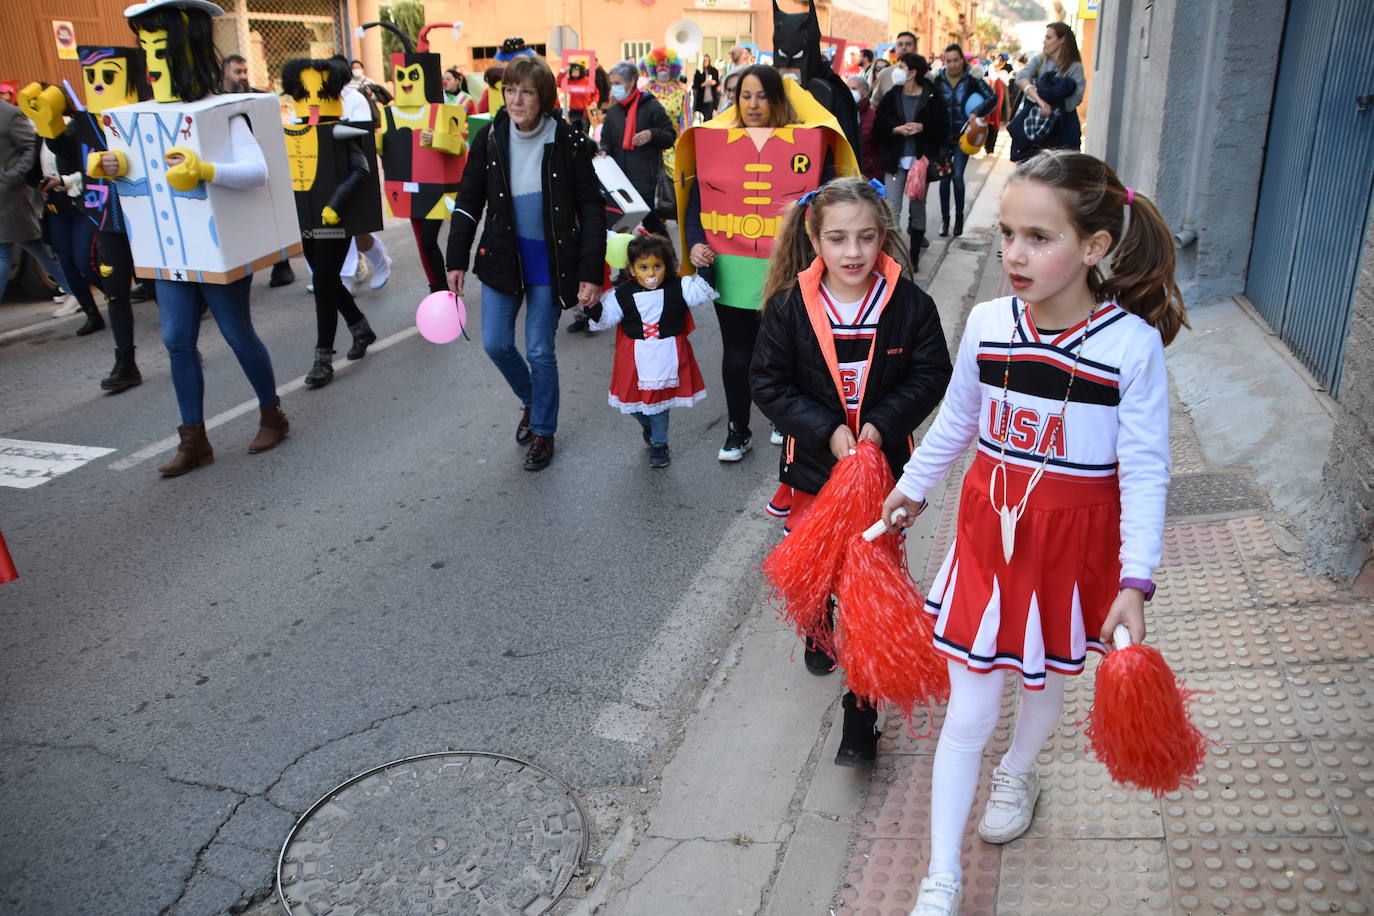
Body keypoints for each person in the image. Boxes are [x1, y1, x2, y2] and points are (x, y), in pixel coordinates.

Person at [879, 151, 1186, 914]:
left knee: (1044, 674)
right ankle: (940, 876)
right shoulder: (987, 322)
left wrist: (1135, 580)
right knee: (969, 712)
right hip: (987, 541)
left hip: (1071, 551)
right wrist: (910, 493)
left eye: (1039, 238)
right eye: (1008, 233)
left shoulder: (1130, 346)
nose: (1014, 254)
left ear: (1094, 246)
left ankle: (1019, 768)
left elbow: (1145, 470)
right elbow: (956, 424)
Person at [751, 176, 951, 764]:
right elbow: (768, 383)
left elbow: (930, 374)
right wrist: (826, 431)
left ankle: (859, 717)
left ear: (884, 235)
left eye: (866, 237)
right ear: (815, 238)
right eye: (838, 239)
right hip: (814, 470)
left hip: (881, 475)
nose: (853, 252)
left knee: (868, 591)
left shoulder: (911, 304)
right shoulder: (789, 306)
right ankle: (815, 624)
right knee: (817, 568)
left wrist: (882, 426)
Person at [106, 0, 291, 475]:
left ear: (183, 50)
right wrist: (112, 168)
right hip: (166, 251)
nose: (151, 60)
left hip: (214, 247)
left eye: (160, 48)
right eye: (144, 48)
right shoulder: (138, 116)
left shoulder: (222, 112)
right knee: (176, 340)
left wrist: (205, 169)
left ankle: (273, 413)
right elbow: (141, 182)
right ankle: (194, 440)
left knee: (236, 333)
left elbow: (256, 170)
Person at [673, 64, 859, 462]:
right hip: (731, 268)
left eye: (761, 96)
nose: (752, 104)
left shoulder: (809, 143)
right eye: (745, 96)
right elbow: (699, 200)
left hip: (787, 270)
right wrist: (696, 245)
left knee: (782, 351)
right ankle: (737, 428)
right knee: (737, 353)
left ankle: (782, 419)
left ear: (777, 100)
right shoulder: (715, 141)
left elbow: (825, 200)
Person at [445, 54, 607, 472]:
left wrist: (590, 272)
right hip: (503, 257)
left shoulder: (569, 142)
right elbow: (468, 199)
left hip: (552, 262)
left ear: (545, 97)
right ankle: (533, 401)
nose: (516, 100)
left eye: (526, 92)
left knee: (539, 349)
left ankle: (543, 431)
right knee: (495, 342)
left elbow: (592, 209)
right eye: (510, 90)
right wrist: (456, 258)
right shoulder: (491, 136)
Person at [280, 56, 380, 389]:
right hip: (305, 218)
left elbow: (361, 170)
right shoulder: (291, 134)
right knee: (326, 279)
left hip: (334, 220)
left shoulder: (339, 133)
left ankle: (322, 358)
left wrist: (335, 204)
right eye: (301, 93)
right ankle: (360, 328)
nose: (309, 102)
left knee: (323, 280)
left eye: (316, 93)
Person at [583, 233, 716, 468]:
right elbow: (605, 318)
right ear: (633, 270)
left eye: (657, 266)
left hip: (668, 355)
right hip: (634, 358)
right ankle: (648, 425)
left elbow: (701, 291)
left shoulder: (679, 287)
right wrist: (590, 306)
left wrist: (704, 265)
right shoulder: (622, 293)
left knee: (660, 404)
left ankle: (659, 444)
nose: (651, 273)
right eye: (643, 267)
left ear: (667, 265)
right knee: (633, 404)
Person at [21, 82, 106, 337]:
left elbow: (93, 168)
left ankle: (115, 295)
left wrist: (65, 181)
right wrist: (36, 180)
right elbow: (35, 170)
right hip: (55, 209)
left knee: (85, 263)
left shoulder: (78, 127)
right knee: (68, 265)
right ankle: (92, 315)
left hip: (79, 204)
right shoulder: (41, 133)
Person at [874, 53, 946, 271]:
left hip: (920, 162)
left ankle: (914, 255)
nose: (897, 69)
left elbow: (943, 126)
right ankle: (893, 259)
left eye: (901, 66)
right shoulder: (892, 96)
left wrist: (923, 128)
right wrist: (895, 129)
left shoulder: (932, 96)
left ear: (913, 72)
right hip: (895, 161)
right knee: (891, 209)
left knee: (918, 208)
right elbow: (878, 127)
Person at [598, 61, 676, 238]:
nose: (614, 88)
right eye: (612, 84)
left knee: (650, 221)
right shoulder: (613, 111)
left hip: (644, 178)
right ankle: (628, 264)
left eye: (617, 83)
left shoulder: (651, 106)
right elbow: (606, 140)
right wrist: (603, 150)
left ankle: (666, 256)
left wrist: (651, 134)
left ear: (631, 81)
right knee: (621, 227)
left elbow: (670, 136)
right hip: (618, 180)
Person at [934, 43, 996, 238]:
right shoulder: (938, 80)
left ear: (962, 60)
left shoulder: (972, 79)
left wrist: (977, 112)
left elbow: (992, 98)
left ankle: (959, 219)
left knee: (957, 177)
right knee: (944, 180)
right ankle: (945, 221)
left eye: (956, 60)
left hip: (963, 137)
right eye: (948, 60)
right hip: (942, 138)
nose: (952, 64)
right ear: (944, 61)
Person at [1009, 22, 1086, 161]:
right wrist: (1041, 100)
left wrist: (1051, 103)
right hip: (1037, 124)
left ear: (1062, 40)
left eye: (1049, 37)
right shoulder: (1040, 59)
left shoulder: (1075, 67)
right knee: (1030, 167)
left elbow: (1075, 99)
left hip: (1063, 127)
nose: (1044, 41)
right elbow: (1021, 78)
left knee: (1060, 169)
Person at [847, 76, 881, 181]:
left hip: (869, 173)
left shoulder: (874, 116)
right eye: (847, 88)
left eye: (853, 88)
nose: (849, 92)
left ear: (865, 93)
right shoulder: (841, 113)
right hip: (846, 173)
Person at [871, 31, 916, 107]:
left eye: (908, 44)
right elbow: (874, 104)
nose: (904, 47)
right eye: (900, 44)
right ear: (895, 49)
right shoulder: (884, 74)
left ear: (915, 49)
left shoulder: (926, 75)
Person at [558, 60, 598, 133]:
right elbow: (559, 83)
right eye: (573, 70)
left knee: (584, 132)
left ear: (581, 71)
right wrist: (562, 72)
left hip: (585, 112)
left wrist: (594, 102)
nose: (574, 72)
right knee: (573, 132)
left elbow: (596, 93)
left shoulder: (588, 81)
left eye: (576, 70)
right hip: (573, 111)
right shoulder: (570, 81)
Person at [691, 55, 720, 122]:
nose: (706, 62)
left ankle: (707, 131)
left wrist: (714, 82)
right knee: (702, 118)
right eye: (704, 60)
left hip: (711, 98)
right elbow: (695, 85)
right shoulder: (698, 71)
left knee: (708, 117)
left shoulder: (713, 70)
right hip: (701, 99)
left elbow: (717, 82)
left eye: (707, 60)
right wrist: (704, 84)